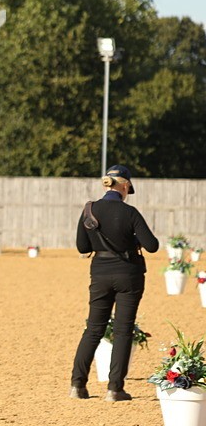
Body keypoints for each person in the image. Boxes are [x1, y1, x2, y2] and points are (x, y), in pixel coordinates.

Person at [69, 165, 159, 401]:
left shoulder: (90, 210)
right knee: (122, 330)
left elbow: (82, 247)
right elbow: (152, 245)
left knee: (94, 329)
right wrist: (131, 237)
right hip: (128, 274)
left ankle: (77, 385)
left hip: (99, 273)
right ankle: (114, 389)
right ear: (125, 185)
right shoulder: (130, 213)